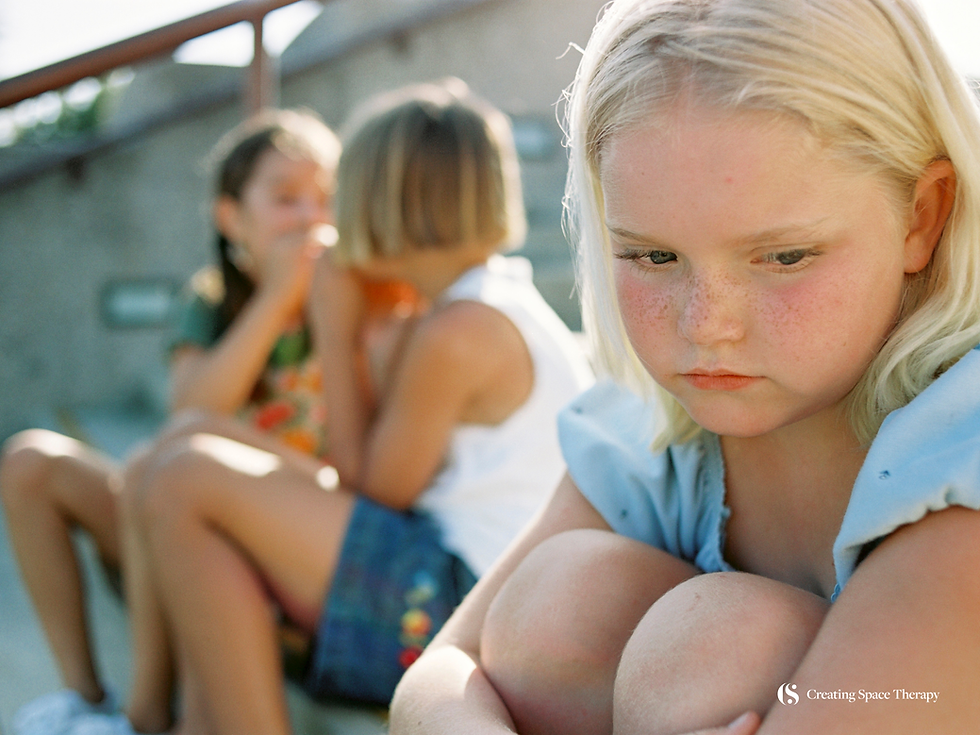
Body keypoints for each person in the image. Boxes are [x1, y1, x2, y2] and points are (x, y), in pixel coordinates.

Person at [388, 1, 980, 733]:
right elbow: (442, 673)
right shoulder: (657, 432)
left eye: (785, 256)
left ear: (922, 215)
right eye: (653, 256)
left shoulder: (963, 448)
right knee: (556, 604)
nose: (707, 326)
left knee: (716, 647)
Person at [70, 78, 594, 735]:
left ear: (387, 205)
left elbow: (370, 488)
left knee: (184, 479)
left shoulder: (460, 331)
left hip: (469, 603)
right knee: (187, 439)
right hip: (462, 580)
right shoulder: (478, 302)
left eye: (343, 194)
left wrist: (336, 331)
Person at [1, 108, 394, 735]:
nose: (310, 218)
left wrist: (321, 307)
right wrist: (274, 302)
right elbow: (194, 409)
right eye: (287, 200)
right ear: (231, 218)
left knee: (168, 478)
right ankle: (83, 699)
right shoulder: (214, 300)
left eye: (325, 199)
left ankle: (148, 716)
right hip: (186, 505)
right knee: (32, 463)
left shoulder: (361, 300)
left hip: (281, 535)